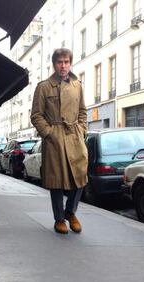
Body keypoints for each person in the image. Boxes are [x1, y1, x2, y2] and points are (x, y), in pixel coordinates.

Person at [31, 48, 88, 234]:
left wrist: (81, 129)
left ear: (70, 63)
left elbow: (82, 112)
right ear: (54, 64)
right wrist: (49, 133)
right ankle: (59, 219)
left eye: (66, 62)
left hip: (74, 136)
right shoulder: (44, 86)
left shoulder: (77, 85)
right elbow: (36, 115)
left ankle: (71, 212)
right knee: (56, 180)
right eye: (59, 62)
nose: (63, 66)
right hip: (55, 137)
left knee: (80, 176)